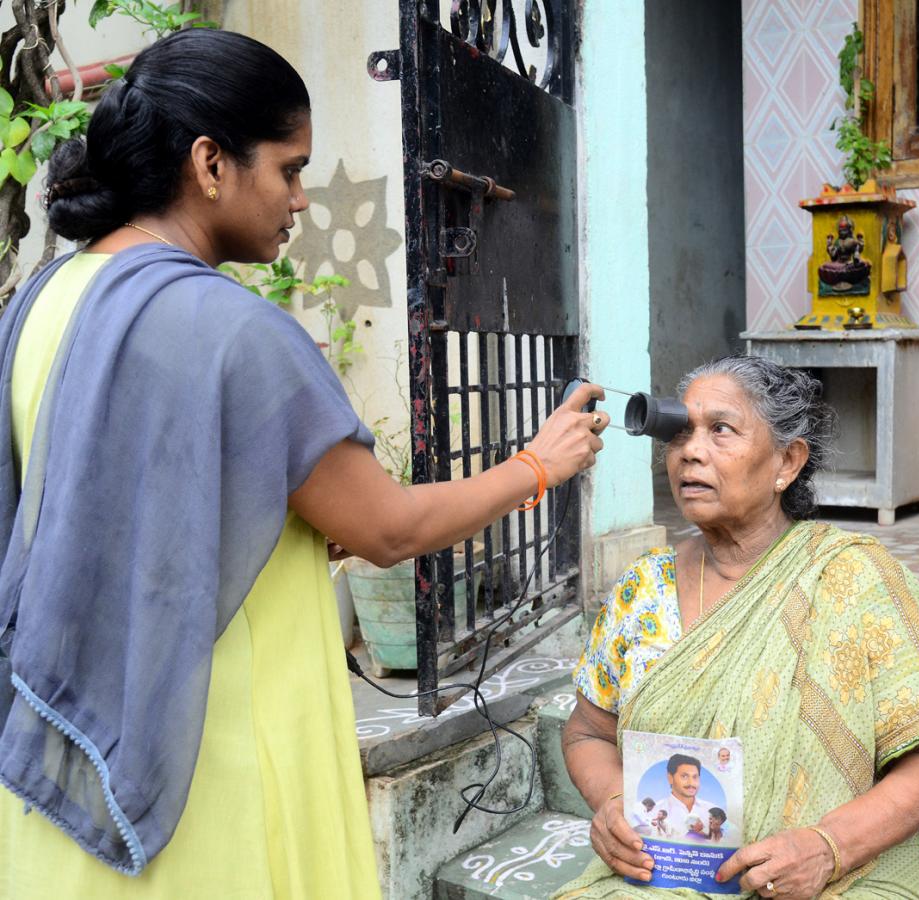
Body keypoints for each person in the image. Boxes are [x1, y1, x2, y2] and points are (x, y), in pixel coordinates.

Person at [0, 29, 608, 899]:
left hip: (77, 739)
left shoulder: (41, 301)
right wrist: (537, 466)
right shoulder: (234, 331)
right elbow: (387, 529)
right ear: (211, 164)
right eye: (289, 170)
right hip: (208, 746)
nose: (300, 200)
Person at [557, 356, 919, 899]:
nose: (691, 451)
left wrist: (826, 846)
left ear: (787, 460)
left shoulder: (854, 577)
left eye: (721, 430)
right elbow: (586, 732)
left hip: (836, 877)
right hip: (666, 876)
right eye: (680, 434)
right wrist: (611, 803)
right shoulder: (642, 589)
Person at [650, 754, 716, 839]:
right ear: (670, 778)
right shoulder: (654, 811)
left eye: (695, 777)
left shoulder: (713, 811)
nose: (691, 783)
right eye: (684, 776)